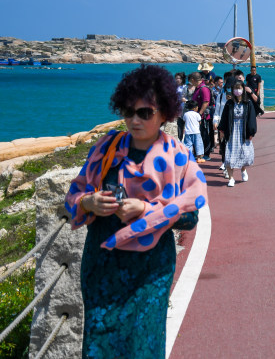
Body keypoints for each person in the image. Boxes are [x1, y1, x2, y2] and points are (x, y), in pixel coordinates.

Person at [64, 64, 207, 359]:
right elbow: (73, 198)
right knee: (99, 345)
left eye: (145, 113)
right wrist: (90, 203)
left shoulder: (179, 156)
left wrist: (146, 209)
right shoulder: (105, 148)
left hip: (150, 272)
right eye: (129, 112)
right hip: (103, 266)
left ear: (165, 113)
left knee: (142, 347)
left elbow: (191, 215)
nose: (134, 120)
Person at [218, 80, 257, 187]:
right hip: (232, 132)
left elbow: (252, 119)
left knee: (244, 154)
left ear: (243, 89)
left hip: (243, 131)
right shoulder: (229, 103)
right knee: (229, 156)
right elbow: (224, 118)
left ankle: (243, 169)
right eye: (235, 88)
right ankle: (231, 178)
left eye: (239, 88)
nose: (237, 91)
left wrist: (251, 132)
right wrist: (221, 131)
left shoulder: (248, 103)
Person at [189, 72, 213, 160]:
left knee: (204, 134)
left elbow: (206, 102)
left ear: (193, 79)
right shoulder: (197, 88)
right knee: (198, 135)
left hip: (202, 117)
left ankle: (206, 153)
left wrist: (199, 114)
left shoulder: (203, 89)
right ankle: (198, 153)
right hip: (196, 115)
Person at [175, 72, 188, 140]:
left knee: (187, 126)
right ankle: (180, 140)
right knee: (179, 125)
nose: (177, 80)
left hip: (185, 108)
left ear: (182, 79)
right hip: (178, 108)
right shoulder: (174, 87)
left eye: (179, 78)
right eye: (176, 78)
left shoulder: (186, 87)